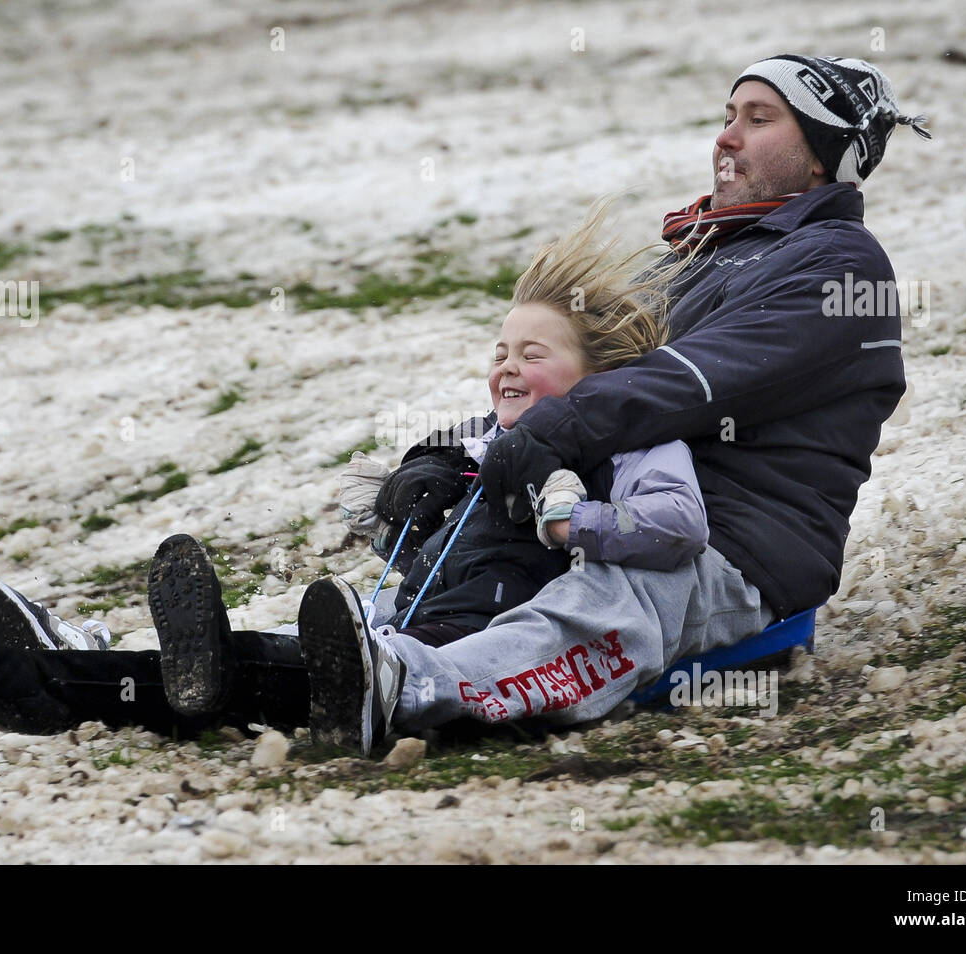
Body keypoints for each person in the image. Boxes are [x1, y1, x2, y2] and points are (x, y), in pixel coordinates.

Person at [297, 53, 929, 749]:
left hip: (724, 543)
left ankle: (406, 685)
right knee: (455, 578)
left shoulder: (836, 267)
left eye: (759, 120)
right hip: (600, 501)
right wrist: (450, 456)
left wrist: (550, 434)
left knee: (601, 604)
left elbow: (689, 382)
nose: (726, 138)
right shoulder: (695, 255)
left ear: (823, 155)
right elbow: (580, 382)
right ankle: (266, 667)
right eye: (727, 118)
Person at [0, 197, 709, 749]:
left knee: (328, 665)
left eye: (531, 355)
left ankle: (126, 671)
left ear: (597, 376)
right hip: (411, 614)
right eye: (498, 351)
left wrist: (575, 522)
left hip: (482, 639)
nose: (505, 367)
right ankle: (79, 667)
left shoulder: (623, 444)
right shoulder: (477, 437)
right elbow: (369, 514)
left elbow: (678, 526)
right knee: (262, 660)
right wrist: (407, 487)